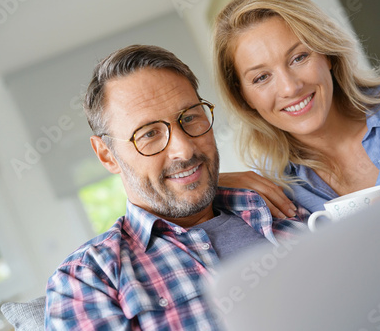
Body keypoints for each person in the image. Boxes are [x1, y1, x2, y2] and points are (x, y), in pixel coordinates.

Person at [44, 44, 308, 330]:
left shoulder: (280, 203)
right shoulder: (88, 279)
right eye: (149, 134)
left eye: (190, 117)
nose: (183, 150)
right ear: (107, 155)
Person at [213, 0, 380, 213]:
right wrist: (216, 185)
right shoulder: (275, 191)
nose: (290, 88)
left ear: (326, 54)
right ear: (243, 96)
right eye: (261, 78)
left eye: (299, 57)